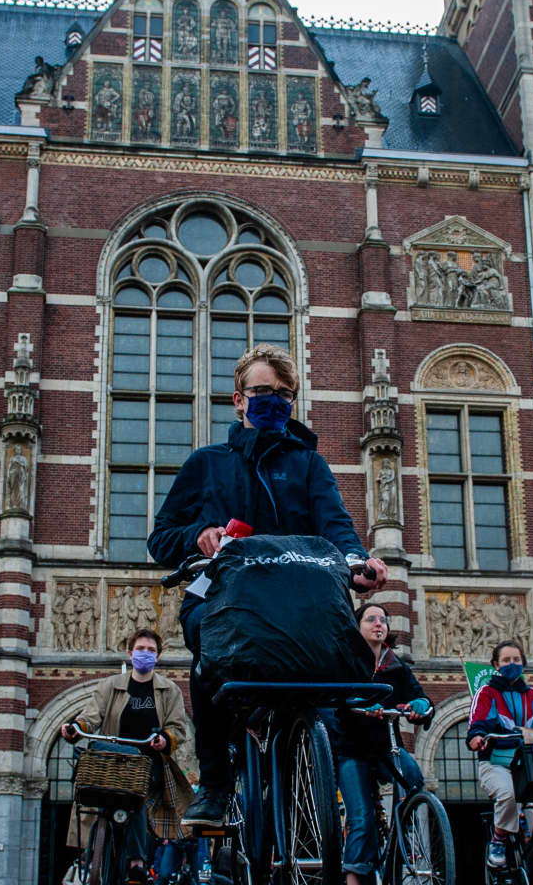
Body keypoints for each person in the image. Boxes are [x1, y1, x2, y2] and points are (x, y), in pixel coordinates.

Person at [147, 343, 389, 826]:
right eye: (262, 392)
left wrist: (359, 562)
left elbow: (336, 525)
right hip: (224, 597)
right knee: (207, 653)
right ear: (238, 400)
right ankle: (216, 786)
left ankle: (318, 771)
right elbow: (161, 538)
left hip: (298, 602)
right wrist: (199, 536)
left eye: (283, 394)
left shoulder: (309, 464)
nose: (273, 401)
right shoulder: (206, 463)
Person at [61, 628, 196, 866]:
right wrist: (75, 727)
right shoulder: (110, 686)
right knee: (98, 796)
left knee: (136, 795)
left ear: (158, 656)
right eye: (140, 649)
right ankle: (92, 854)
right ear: (130, 653)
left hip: (147, 764)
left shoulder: (170, 690)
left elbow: (177, 727)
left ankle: (136, 861)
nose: (145, 653)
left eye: (151, 650)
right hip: (111, 761)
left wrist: (165, 739)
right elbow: (90, 717)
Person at [332, 603, 432, 885]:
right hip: (352, 750)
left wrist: (420, 705)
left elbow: (421, 697)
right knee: (361, 818)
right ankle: (353, 877)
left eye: (383, 620)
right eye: (371, 619)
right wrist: (361, 705)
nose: (379, 624)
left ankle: (404, 834)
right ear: (357, 626)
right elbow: (336, 698)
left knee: (413, 777)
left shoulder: (396, 666)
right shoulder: (346, 662)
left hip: (387, 748)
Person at [466, 639, 533, 869]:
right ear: (496, 665)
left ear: (523, 663)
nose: (512, 664)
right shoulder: (486, 693)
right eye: (506, 660)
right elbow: (477, 722)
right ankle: (498, 840)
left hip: (528, 765)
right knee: (507, 795)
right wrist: (476, 737)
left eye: (516, 660)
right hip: (496, 763)